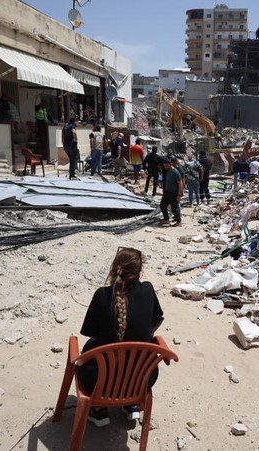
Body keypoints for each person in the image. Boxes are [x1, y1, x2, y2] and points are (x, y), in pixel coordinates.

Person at [78, 247, 164, 426]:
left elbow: (90, 332)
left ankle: (99, 410)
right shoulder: (148, 290)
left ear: (113, 269)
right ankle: (131, 404)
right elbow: (157, 318)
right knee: (132, 355)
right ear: (139, 272)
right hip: (142, 379)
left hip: (98, 381)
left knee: (90, 349)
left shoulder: (102, 295)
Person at [159, 158, 183, 226]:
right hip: (167, 192)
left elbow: (180, 183)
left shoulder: (175, 172)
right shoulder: (168, 171)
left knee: (174, 208)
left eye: (166, 166)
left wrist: (179, 195)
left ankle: (179, 222)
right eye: (164, 166)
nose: (165, 167)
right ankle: (166, 220)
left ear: (170, 164)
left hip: (173, 193)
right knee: (162, 205)